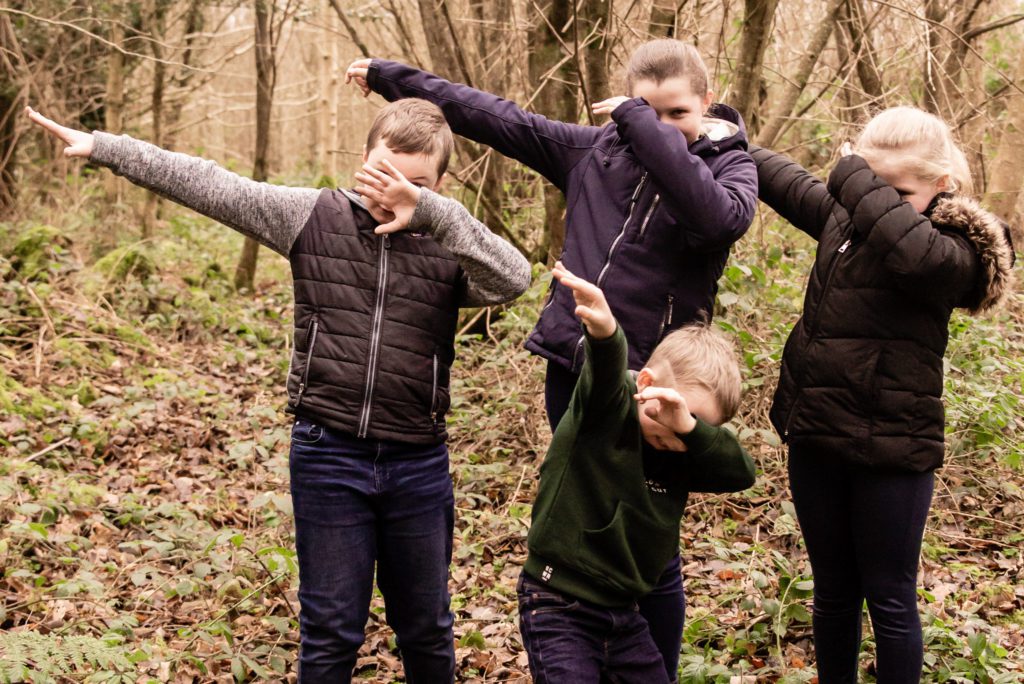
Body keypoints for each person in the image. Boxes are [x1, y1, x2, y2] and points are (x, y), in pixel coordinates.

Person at [25, 100, 532, 683]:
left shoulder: (450, 245)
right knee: (332, 629)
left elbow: (513, 279)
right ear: (363, 161)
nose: (391, 192)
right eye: (383, 173)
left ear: (439, 184)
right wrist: (109, 149)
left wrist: (436, 215)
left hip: (418, 460)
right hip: (328, 454)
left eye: (415, 183)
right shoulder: (311, 215)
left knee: (426, 628)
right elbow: (211, 185)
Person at [345, 38, 758, 677]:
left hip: (667, 382)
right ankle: (570, 636)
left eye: (676, 113)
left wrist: (641, 125)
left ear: (706, 103)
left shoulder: (732, 167)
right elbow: (494, 116)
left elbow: (714, 220)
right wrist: (391, 77)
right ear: (625, 106)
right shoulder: (595, 151)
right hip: (584, 369)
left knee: (654, 545)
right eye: (646, 110)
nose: (660, 126)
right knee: (584, 511)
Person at [749, 107, 1015, 682]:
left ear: (943, 184)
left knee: (890, 598)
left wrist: (852, 173)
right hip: (818, 432)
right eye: (875, 184)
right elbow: (790, 184)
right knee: (833, 592)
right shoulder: (850, 220)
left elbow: (910, 250)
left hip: (894, 447)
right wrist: (728, 135)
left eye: (899, 190)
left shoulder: (954, 250)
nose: (881, 200)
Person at [516, 261, 755, 683]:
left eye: (695, 422)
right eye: (674, 408)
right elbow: (606, 371)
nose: (677, 426)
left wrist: (689, 429)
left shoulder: (684, 446)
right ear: (645, 383)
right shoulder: (606, 410)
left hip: (624, 615)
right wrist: (606, 331)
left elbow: (740, 472)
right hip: (558, 603)